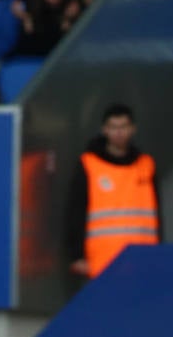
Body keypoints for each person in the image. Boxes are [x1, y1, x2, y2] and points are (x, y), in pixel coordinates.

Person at [66, 103, 159, 281]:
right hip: (102, 260)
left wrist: (158, 252)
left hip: (142, 259)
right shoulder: (89, 164)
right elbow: (76, 211)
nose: (119, 132)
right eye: (113, 127)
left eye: (123, 127)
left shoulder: (146, 165)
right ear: (105, 130)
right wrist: (77, 255)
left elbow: (156, 215)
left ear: (132, 129)